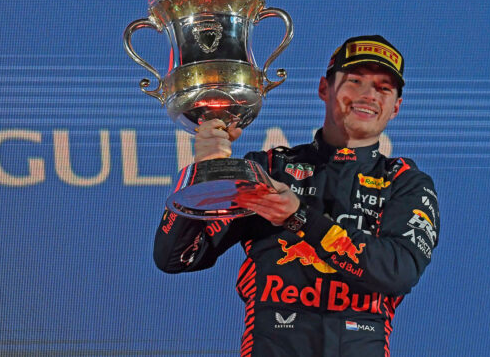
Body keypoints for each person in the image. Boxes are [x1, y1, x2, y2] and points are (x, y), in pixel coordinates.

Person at [153, 35, 440, 357]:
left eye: (383, 88)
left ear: (396, 107)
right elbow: (176, 258)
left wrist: (298, 217)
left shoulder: (404, 182)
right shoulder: (269, 169)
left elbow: (398, 272)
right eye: (355, 81)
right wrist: (206, 173)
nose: (368, 95)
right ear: (324, 89)